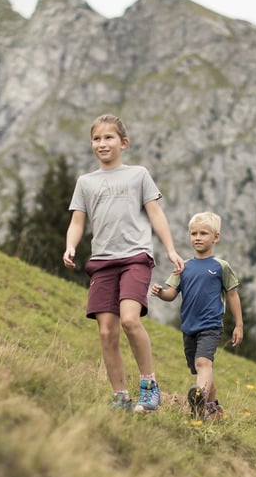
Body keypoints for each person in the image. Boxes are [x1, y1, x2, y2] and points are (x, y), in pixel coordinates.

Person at [63, 114, 184, 413]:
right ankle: (121, 396)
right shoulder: (86, 182)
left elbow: (156, 213)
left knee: (130, 320)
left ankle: (149, 386)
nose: (102, 143)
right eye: (96, 138)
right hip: (102, 262)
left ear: (123, 143)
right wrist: (70, 246)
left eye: (109, 137)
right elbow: (78, 220)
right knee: (106, 331)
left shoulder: (138, 175)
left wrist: (170, 249)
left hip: (135, 257)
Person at [151, 211, 243, 421]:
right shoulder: (183, 266)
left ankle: (199, 399)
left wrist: (238, 325)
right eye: (194, 233)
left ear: (215, 237)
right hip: (188, 327)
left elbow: (232, 295)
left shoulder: (221, 266)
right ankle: (213, 408)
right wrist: (160, 293)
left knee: (203, 363)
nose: (198, 238)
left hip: (211, 326)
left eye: (203, 233)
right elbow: (171, 293)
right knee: (201, 369)